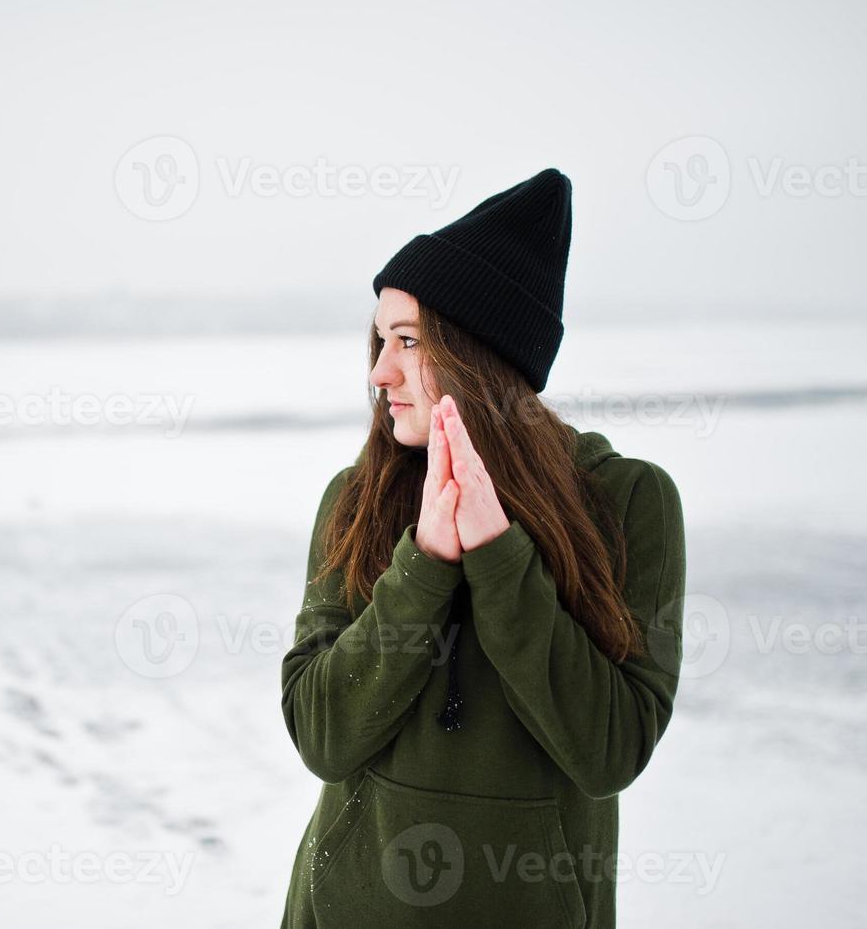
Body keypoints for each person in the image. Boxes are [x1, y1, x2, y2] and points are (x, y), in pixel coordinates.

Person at [278, 167, 687, 928]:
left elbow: (609, 752)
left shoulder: (627, 502)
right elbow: (321, 736)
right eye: (378, 339)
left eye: (407, 340)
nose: (379, 372)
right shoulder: (356, 501)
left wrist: (498, 557)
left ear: (479, 355)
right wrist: (423, 565)